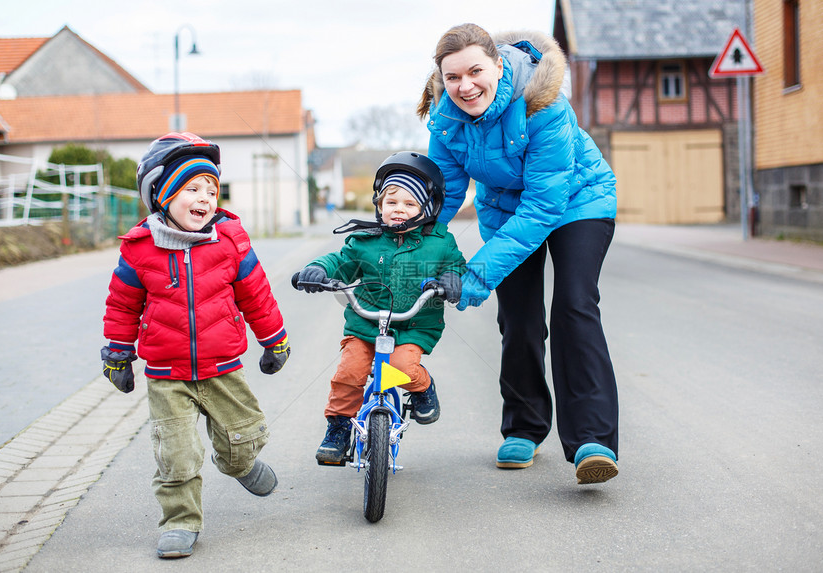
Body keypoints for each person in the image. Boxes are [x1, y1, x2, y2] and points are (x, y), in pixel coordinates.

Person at [417, 24, 619, 484]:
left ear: (498, 65)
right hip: (505, 209)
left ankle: (593, 440)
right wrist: (411, 248)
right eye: (453, 77)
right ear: (441, 80)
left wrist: (474, 276)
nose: (465, 86)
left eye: (475, 71)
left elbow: (544, 206)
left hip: (577, 202)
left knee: (574, 303)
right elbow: (444, 197)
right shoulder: (446, 119)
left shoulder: (542, 105)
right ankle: (524, 429)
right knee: (520, 317)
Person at [101, 132, 291, 558]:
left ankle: (240, 466)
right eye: (192, 188)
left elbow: (257, 295)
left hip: (223, 365)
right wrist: (117, 350)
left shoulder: (229, 241)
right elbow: (122, 303)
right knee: (177, 455)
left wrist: (274, 340)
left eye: (212, 189)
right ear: (162, 194)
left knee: (242, 437)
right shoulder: (139, 250)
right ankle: (181, 522)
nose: (205, 197)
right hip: (167, 375)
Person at [295, 151, 466, 464]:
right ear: (379, 206)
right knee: (350, 372)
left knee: (399, 368)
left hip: (413, 325)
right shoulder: (365, 241)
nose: (399, 209)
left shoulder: (440, 242)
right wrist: (319, 269)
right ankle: (339, 427)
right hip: (365, 324)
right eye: (392, 202)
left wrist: (451, 278)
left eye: (409, 203)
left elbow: (456, 265)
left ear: (428, 209)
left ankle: (423, 386)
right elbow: (341, 262)